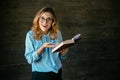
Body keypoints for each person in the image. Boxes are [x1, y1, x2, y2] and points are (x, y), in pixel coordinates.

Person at [24, 6, 69, 80]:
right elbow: (30, 59)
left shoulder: (57, 33)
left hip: (57, 73)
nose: (45, 22)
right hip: (40, 75)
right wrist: (42, 47)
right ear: (38, 19)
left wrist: (64, 53)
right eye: (42, 18)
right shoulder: (30, 35)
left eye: (49, 19)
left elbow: (60, 57)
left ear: (53, 22)